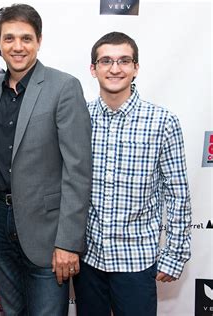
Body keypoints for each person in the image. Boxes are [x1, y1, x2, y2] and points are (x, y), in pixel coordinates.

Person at [0, 4, 92, 315]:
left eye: (26, 38)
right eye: (9, 38)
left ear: (39, 40)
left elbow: (78, 170)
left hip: (48, 228)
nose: (17, 47)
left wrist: (68, 242)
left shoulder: (63, 87)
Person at [73, 32, 192, 316]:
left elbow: (178, 196)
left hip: (137, 263)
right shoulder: (78, 118)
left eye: (124, 61)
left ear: (136, 68)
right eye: (106, 61)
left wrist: (174, 255)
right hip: (87, 260)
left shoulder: (163, 122)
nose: (115, 68)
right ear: (93, 69)